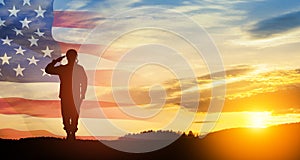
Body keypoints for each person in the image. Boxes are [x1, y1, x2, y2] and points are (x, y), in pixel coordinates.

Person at [45, 49, 87, 140]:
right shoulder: (66, 68)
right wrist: (55, 61)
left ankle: (71, 132)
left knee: (72, 114)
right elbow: (48, 70)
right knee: (68, 114)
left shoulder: (74, 69)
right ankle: (70, 132)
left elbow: (84, 82)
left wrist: (83, 93)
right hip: (68, 95)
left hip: (72, 95)